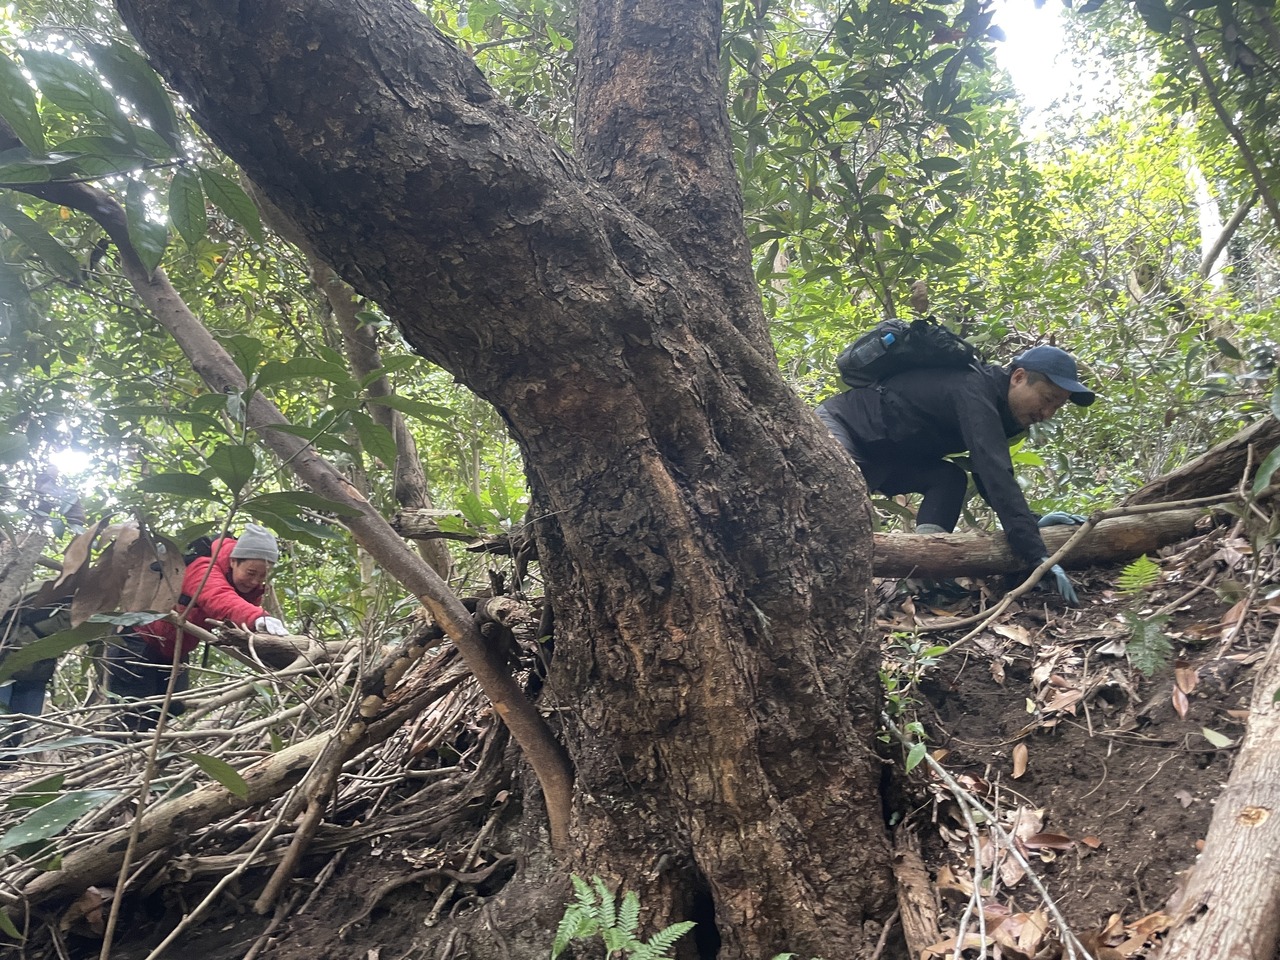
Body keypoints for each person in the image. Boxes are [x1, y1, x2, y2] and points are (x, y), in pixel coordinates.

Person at [815, 344, 1096, 604]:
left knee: (948, 478)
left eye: (1056, 407)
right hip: (842, 427)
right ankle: (827, 588)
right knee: (843, 494)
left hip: (885, 456)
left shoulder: (997, 405)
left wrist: (1033, 523)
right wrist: (1038, 555)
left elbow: (990, 477)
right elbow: (995, 472)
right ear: (1019, 377)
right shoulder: (973, 389)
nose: (1047, 413)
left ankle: (924, 572)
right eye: (1047, 399)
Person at [104, 523, 290, 729]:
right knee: (134, 720)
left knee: (171, 712)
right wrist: (257, 617)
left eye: (262, 576)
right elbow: (219, 598)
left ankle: (150, 759)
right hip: (136, 644)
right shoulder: (202, 567)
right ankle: (109, 760)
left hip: (173, 651)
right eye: (251, 572)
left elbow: (239, 624)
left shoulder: (248, 588)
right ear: (234, 561)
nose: (255, 581)